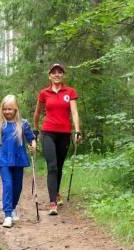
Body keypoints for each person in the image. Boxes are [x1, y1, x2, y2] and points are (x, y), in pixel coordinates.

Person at [33, 63, 81, 216]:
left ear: (63, 75)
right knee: (52, 166)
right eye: (54, 72)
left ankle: (56, 192)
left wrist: (77, 130)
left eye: (60, 72)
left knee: (59, 166)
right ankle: (52, 202)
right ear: (50, 76)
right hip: (48, 133)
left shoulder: (70, 92)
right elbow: (38, 112)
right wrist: (35, 128)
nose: (57, 75)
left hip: (64, 133)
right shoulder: (44, 93)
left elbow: (74, 112)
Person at [0, 95, 36, 228]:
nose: (7, 112)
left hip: (18, 158)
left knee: (17, 187)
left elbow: (31, 138)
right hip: (4, 158)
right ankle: (7, 215)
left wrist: (33, 146)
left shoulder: (23, 124)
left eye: (10, 109)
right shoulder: (0, 124)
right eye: (5, 109)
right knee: (8, 185)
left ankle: (12, 207)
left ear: (16, 109)